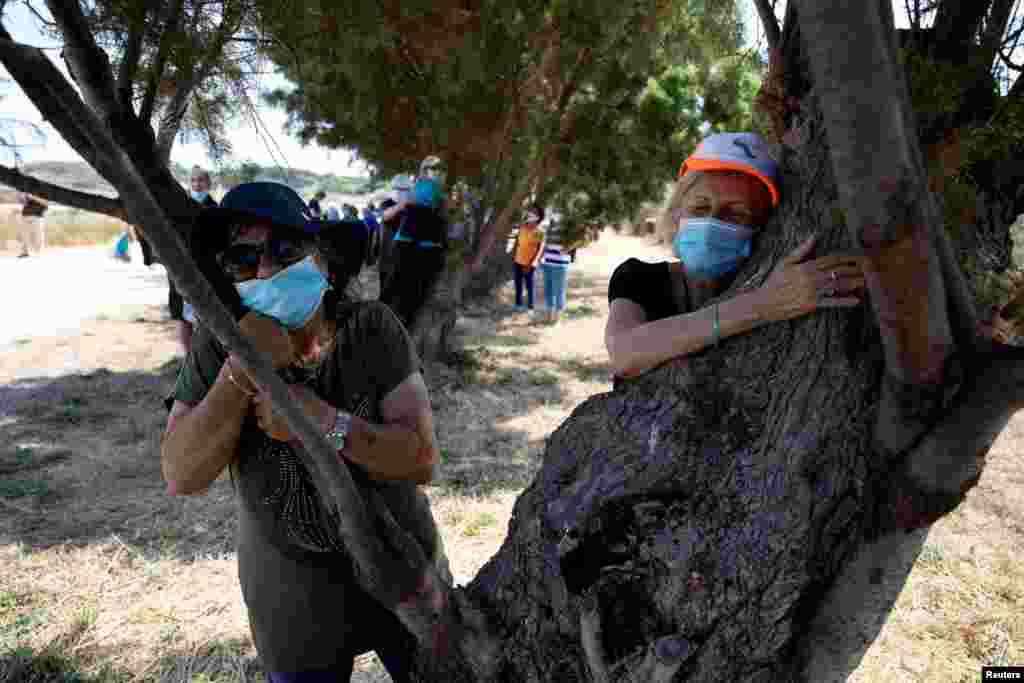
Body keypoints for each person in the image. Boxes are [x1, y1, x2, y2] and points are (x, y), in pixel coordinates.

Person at [160, 181, 446, 683]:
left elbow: (421, 458)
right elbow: (181, 474)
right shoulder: (218, 342)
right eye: (243, 259)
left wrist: (325, 422)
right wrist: (240, 368)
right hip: (286, 578)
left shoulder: (371, 328)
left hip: (399, 553)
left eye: (284, 249)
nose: (266, 270)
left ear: (324, 260)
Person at [604, 132, 866, 388]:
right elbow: (624, 354)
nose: (712, 221)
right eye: (700, 207)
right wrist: (763, 304)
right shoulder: (637, 277)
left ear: (763, 230)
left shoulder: (766, 277)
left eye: (735, 214)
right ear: (677, 212)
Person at [378, 156, 449, 328]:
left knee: (410, 291)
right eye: (398, 189)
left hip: (414, 246)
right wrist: (404, 203)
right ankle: (387, 323)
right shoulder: (397, 202)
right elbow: (385, 216)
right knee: (393, 289)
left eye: (404, 189)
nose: (401, 191)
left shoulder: (433, 196)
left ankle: (400, 324)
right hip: (398, 251)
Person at [174, 166, 220, 355]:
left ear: (208, 183)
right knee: (182, 317)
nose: (196, 184)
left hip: (204, 268)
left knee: (204, 313)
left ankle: (203, 355)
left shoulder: (215, 208)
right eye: (193, 180)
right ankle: (187, 357)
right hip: (180, 265)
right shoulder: (180, 205)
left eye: (200, 180)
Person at [538, 209, 577, 325]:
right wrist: (540, 257)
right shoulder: (550, 223)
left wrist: (568, 249)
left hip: (560, 263)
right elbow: (545, 242)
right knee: (549, 290)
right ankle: (550, 317)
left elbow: (578, 239)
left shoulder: (569, 224)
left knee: (559, 291)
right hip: (547, 262)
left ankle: (557, 319)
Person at [510, 205, 545, 312]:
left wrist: (530, 264)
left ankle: (530, 307)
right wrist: (513, 254)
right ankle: (518, 305)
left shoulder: (539, 231)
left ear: (539, 216)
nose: (531, 214)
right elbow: (517, 242)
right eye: (530, 211)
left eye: (534, 212)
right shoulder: (522, 227)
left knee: (529, 286)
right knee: (518, 284)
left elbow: (539, 249)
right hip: (518, 260)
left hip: (529, 263)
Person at [17, 194, 47, 258]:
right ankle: (25, 252)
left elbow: (46, 204)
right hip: (25, 215)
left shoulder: (45, 191)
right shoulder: (28, 190)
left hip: (37, 216)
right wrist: (22, 199)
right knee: (24, 235)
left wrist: (33, 197)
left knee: (38, 235)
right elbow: (23, 203)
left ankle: (39, 252)